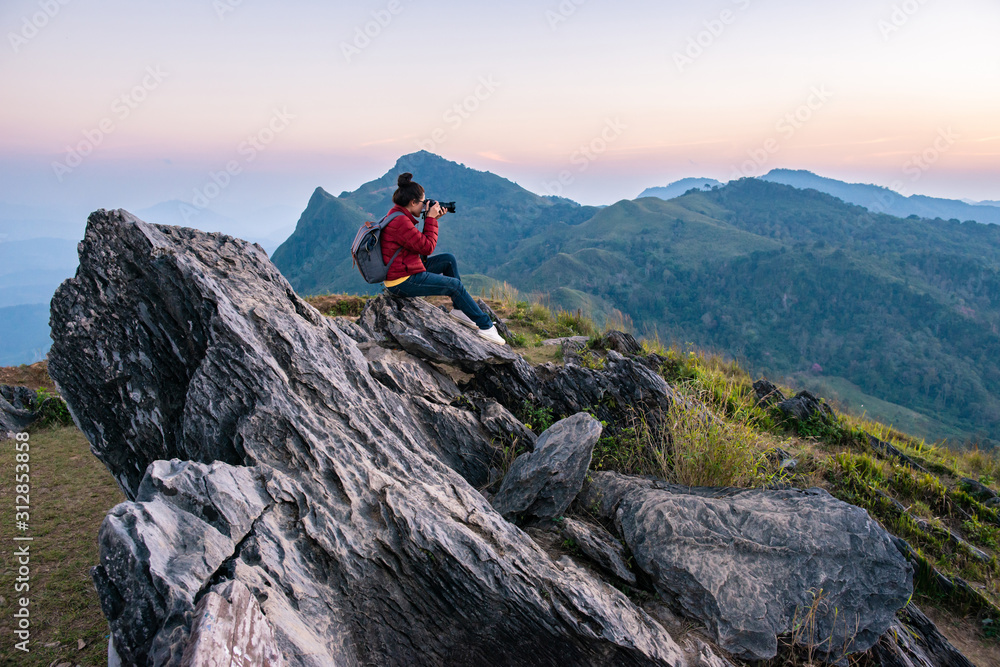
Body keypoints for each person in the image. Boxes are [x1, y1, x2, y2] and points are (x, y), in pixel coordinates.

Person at [381, 172, 506, 345]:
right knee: (454, 286)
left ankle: (459, 310)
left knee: (448, 259)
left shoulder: (397, 215)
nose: (425, 206)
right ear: (413, 203)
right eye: (423, 202)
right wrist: (431, 219)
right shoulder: (400, 221)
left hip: (405, 269)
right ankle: (486, 326)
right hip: (402, 281)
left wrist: (431, 219)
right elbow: (427, 247)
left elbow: (419, 248)